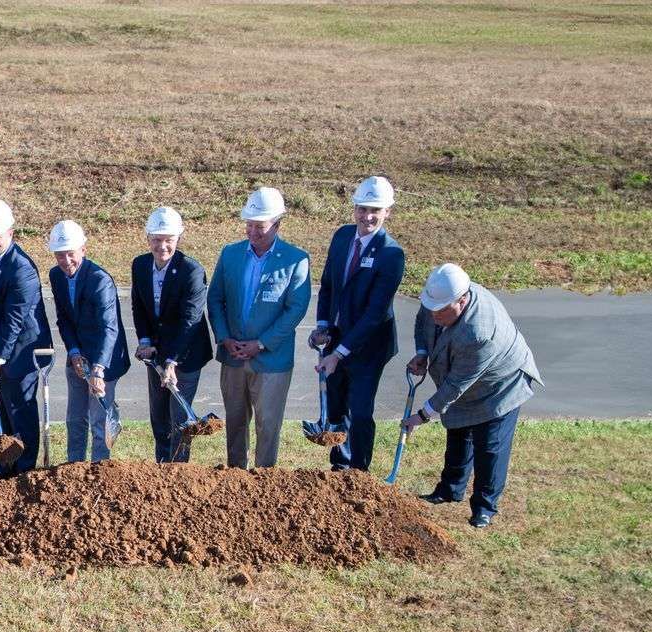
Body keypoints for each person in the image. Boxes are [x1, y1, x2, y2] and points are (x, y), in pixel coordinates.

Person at [402, 264, 542, 528]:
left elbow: (455, 385)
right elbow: (423, 321)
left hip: (500, 387)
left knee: (489, 446)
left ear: (463, 300)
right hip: (463, 379)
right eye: (432, 308)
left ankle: (484, 507)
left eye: (442, 311)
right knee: (458, 431)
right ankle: (449, 490)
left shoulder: (479, 333)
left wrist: (421, 416)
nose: (435, 315)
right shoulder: (437, 298)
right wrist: (422, 352)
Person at [207, 188, 311, 468]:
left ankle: (264, 481)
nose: (252, 232)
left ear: (277, 224)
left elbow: (295, 309)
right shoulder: (230, 254)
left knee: (268, 425)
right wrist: (224, 337)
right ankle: (236, 476)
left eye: (260, 227)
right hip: (233, 356)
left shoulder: (296, 260)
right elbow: (215, 298)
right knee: (235, 422)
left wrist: (261, 343)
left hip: (271, 360)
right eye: (249, 225)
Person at [310, 176, 405, 471]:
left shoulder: (391, 254)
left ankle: (360, 472)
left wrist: (339, 355)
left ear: (387, 212)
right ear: (354, 209)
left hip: (369, 345)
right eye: (363, 209)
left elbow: (375, 313)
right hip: (338, 337)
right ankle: (340, 467)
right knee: (337, 407)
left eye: (375, 210)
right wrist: (323, 326)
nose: (368, 216)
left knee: (360, 411)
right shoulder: (341, 237)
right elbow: (327, 285)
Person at [0, 199, 53, 477]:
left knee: (21, 414)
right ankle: (3, 473)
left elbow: (14, 322)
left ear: (11, 233)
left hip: (20, 352)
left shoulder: (23, 270)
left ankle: (25, 474)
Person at [130, 206, 213, 462]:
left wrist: (172, 362)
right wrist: (145, 342)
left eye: (169, 240)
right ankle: (161, 468)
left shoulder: (192, 271)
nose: (162, 246)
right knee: (159, 417)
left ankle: (178, 472)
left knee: (180, 419)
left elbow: (190, 320)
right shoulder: (141, 265)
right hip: (156, 354)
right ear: (148, 238)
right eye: (156, 240)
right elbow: (139, 306)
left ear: (179, 238)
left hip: (185, 356)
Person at [46, 220, 129, 462]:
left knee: (99, 419)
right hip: (78, 356)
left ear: (83, 249)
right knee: (74, 418)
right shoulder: (56, 276)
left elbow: (109, 328)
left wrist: (98, 369)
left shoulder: (99, 279)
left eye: (70, 254)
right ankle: (74, 466)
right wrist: (73, 352)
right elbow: (64, 318)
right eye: (59, 255)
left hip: (105, 357)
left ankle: (99, 468)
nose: (66, 261)